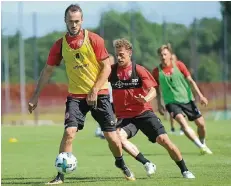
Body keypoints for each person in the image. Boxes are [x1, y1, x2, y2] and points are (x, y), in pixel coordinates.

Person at [28, 4, 135, 185]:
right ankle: (60, 175)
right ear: (65, 21)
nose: (74, 25)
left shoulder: (94, 40)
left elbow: (107, 67)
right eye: (71, 21)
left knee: (112, 138)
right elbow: (47, 71)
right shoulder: (59, 45)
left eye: (77, 21)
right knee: (69, 133)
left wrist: (94, 89)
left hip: (99, 95)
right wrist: (35, 96)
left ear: (82, 21)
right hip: (76, 97)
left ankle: (121, 163)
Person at [109, 38, 195, 179]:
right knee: (118, 137)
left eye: (121, 55)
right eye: (117, 54)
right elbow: (99, 78)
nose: (118, 57)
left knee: (164, 141)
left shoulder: (139, 70)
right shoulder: (111, 71)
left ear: (129, 53)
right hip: (125, 117)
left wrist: (146, 99)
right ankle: (147, 163)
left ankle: (185, 170)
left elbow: (153, 90)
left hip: (144, 113)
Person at [152, 43, 212, 155]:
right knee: (183, 124)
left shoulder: (179, 65)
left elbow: (191, 81)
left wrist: (201, 96)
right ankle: (201, 147)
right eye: (161, 55)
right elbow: (156, 90)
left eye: (165, 54)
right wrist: (159, 104)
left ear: (170, 55)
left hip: (187, 99)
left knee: (201, 124)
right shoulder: (156, 72)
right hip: (171, 102)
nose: (163, 57)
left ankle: (203, 143)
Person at [95, 55, 115, 139]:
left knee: (113, 115)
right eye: (108, 61)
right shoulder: (101, 72)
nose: (110, 63)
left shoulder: (115, 72)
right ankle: (101, 130)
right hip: (105, 98)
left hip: (114, 99)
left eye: (111, 61)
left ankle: (112, 131)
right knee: (104, 115)